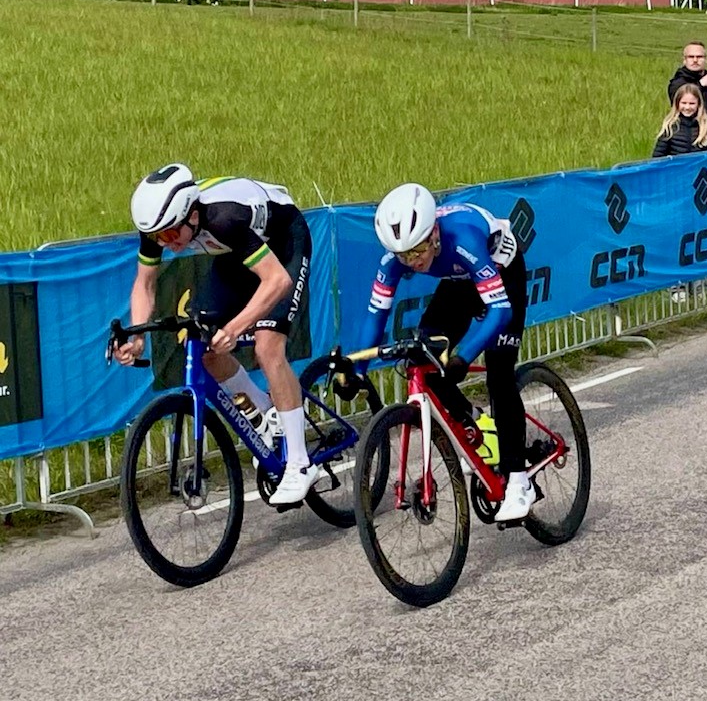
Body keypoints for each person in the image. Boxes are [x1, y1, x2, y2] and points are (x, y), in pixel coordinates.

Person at [113, 164, 316, 504]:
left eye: (170, 235)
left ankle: (299, 462)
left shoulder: (224, 219)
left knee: (267, 346)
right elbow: (144, 284)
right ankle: (268, 412)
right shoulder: (163, 226)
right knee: (206, 348)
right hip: (234, 254)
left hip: (284, 242)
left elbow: (277, 281)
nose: (167, 243)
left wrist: (236, 328)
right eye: (158, 238)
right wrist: (136, 337)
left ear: (192, 215)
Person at [358, 183, 534, 523]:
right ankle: (477, 423)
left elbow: (500, 311)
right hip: (458, 282)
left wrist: (463, 356)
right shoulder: (395, 259)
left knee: (499, 374)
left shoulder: (464, 238)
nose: (413, 261)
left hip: (502, 275)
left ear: (434, 233)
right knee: (422, 361)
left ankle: (518, 480)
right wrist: (357, 372)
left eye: (418, 249)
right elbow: (375, 317)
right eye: (404, 256)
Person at [653, 83, 707, 157]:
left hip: (699, 168)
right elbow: (658, 158)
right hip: (677, 168)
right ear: (677, 104)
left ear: (698, 104)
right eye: (684, 103)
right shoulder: (670, 127)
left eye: (692, 103)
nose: (687, 107)